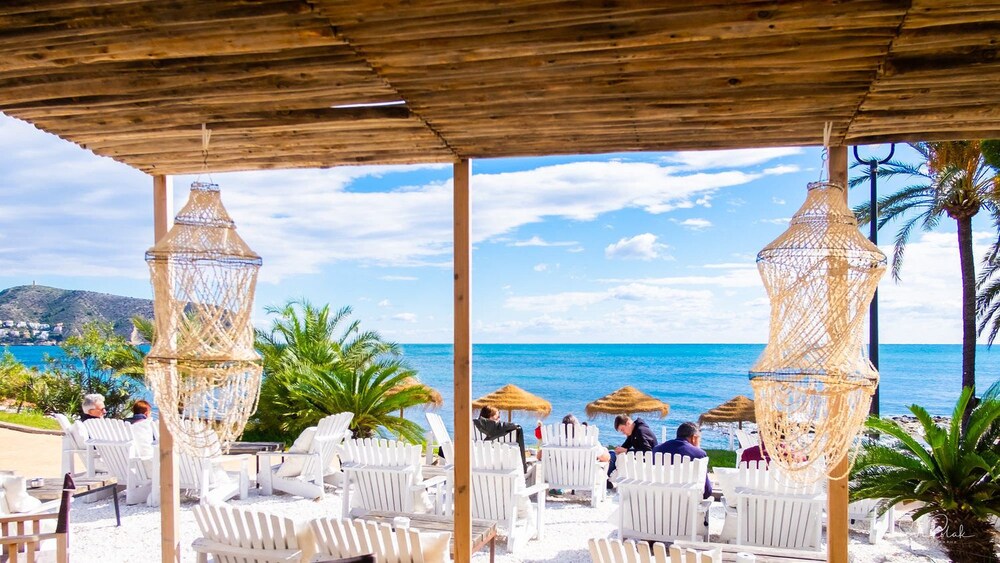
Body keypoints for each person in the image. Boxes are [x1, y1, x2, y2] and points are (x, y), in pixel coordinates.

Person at [652, 421, 712, 499]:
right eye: (699, 440)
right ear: (694, 438)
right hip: (686, 502)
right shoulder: (699, 454)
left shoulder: (656, 450)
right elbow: (707, 492)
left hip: (659, 499)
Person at [607, 414, 658, 488]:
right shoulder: (633, 431)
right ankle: (608, 478)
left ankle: (607, 479)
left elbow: (647, 451)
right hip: (641, 460)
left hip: (649, 463)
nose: (623, 433)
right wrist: (618, 449)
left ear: (628, 423)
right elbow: (625, 446)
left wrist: (626, 451)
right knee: (612, 454)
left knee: (614, 457)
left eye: (622, 429)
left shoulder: (641, 431)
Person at [473, 405, 528, 473]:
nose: (499, 419)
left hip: (480, 469)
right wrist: (524, 467)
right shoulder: (512, 429)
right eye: (497, 417)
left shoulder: (473, 428)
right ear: (489, 417)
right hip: (506, 470)